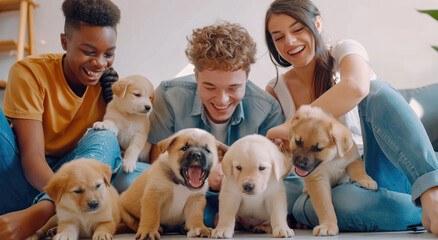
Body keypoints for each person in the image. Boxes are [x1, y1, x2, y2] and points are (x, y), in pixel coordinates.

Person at [264, 0, 438, 234]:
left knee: (377, 90)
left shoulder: (345, 51)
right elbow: (278, 161)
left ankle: (431, 192)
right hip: (341, 189)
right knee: (333, 204)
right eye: (279, 37)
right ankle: (421, 210)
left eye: (297, 29)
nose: (290, 42)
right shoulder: (276, 89)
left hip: (389, 166)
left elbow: (356, 87)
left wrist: (292, 125)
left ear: (316, 24)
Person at [0, 0, 141, 239]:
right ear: (65, 42)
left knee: (107, 136)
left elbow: (125, 153)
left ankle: (40, 214)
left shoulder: (112, 87)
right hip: (27, 175)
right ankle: (42, 211)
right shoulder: (29, 72)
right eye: (88, 52)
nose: (99, 63)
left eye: (109, 54)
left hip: (79, 193)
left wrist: (115, 106)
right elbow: (32, 157)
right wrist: (57, 197)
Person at [147, 22, 285, 227]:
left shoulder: (267, 109)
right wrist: (207, 175)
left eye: (233, 87)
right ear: (196, 76)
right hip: (181, 191)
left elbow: (275, 178)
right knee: (130, 182)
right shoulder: (169, 96)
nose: (221, 100)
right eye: (209, 87)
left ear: (247, 77)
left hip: (244, 196)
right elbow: (157, 162)